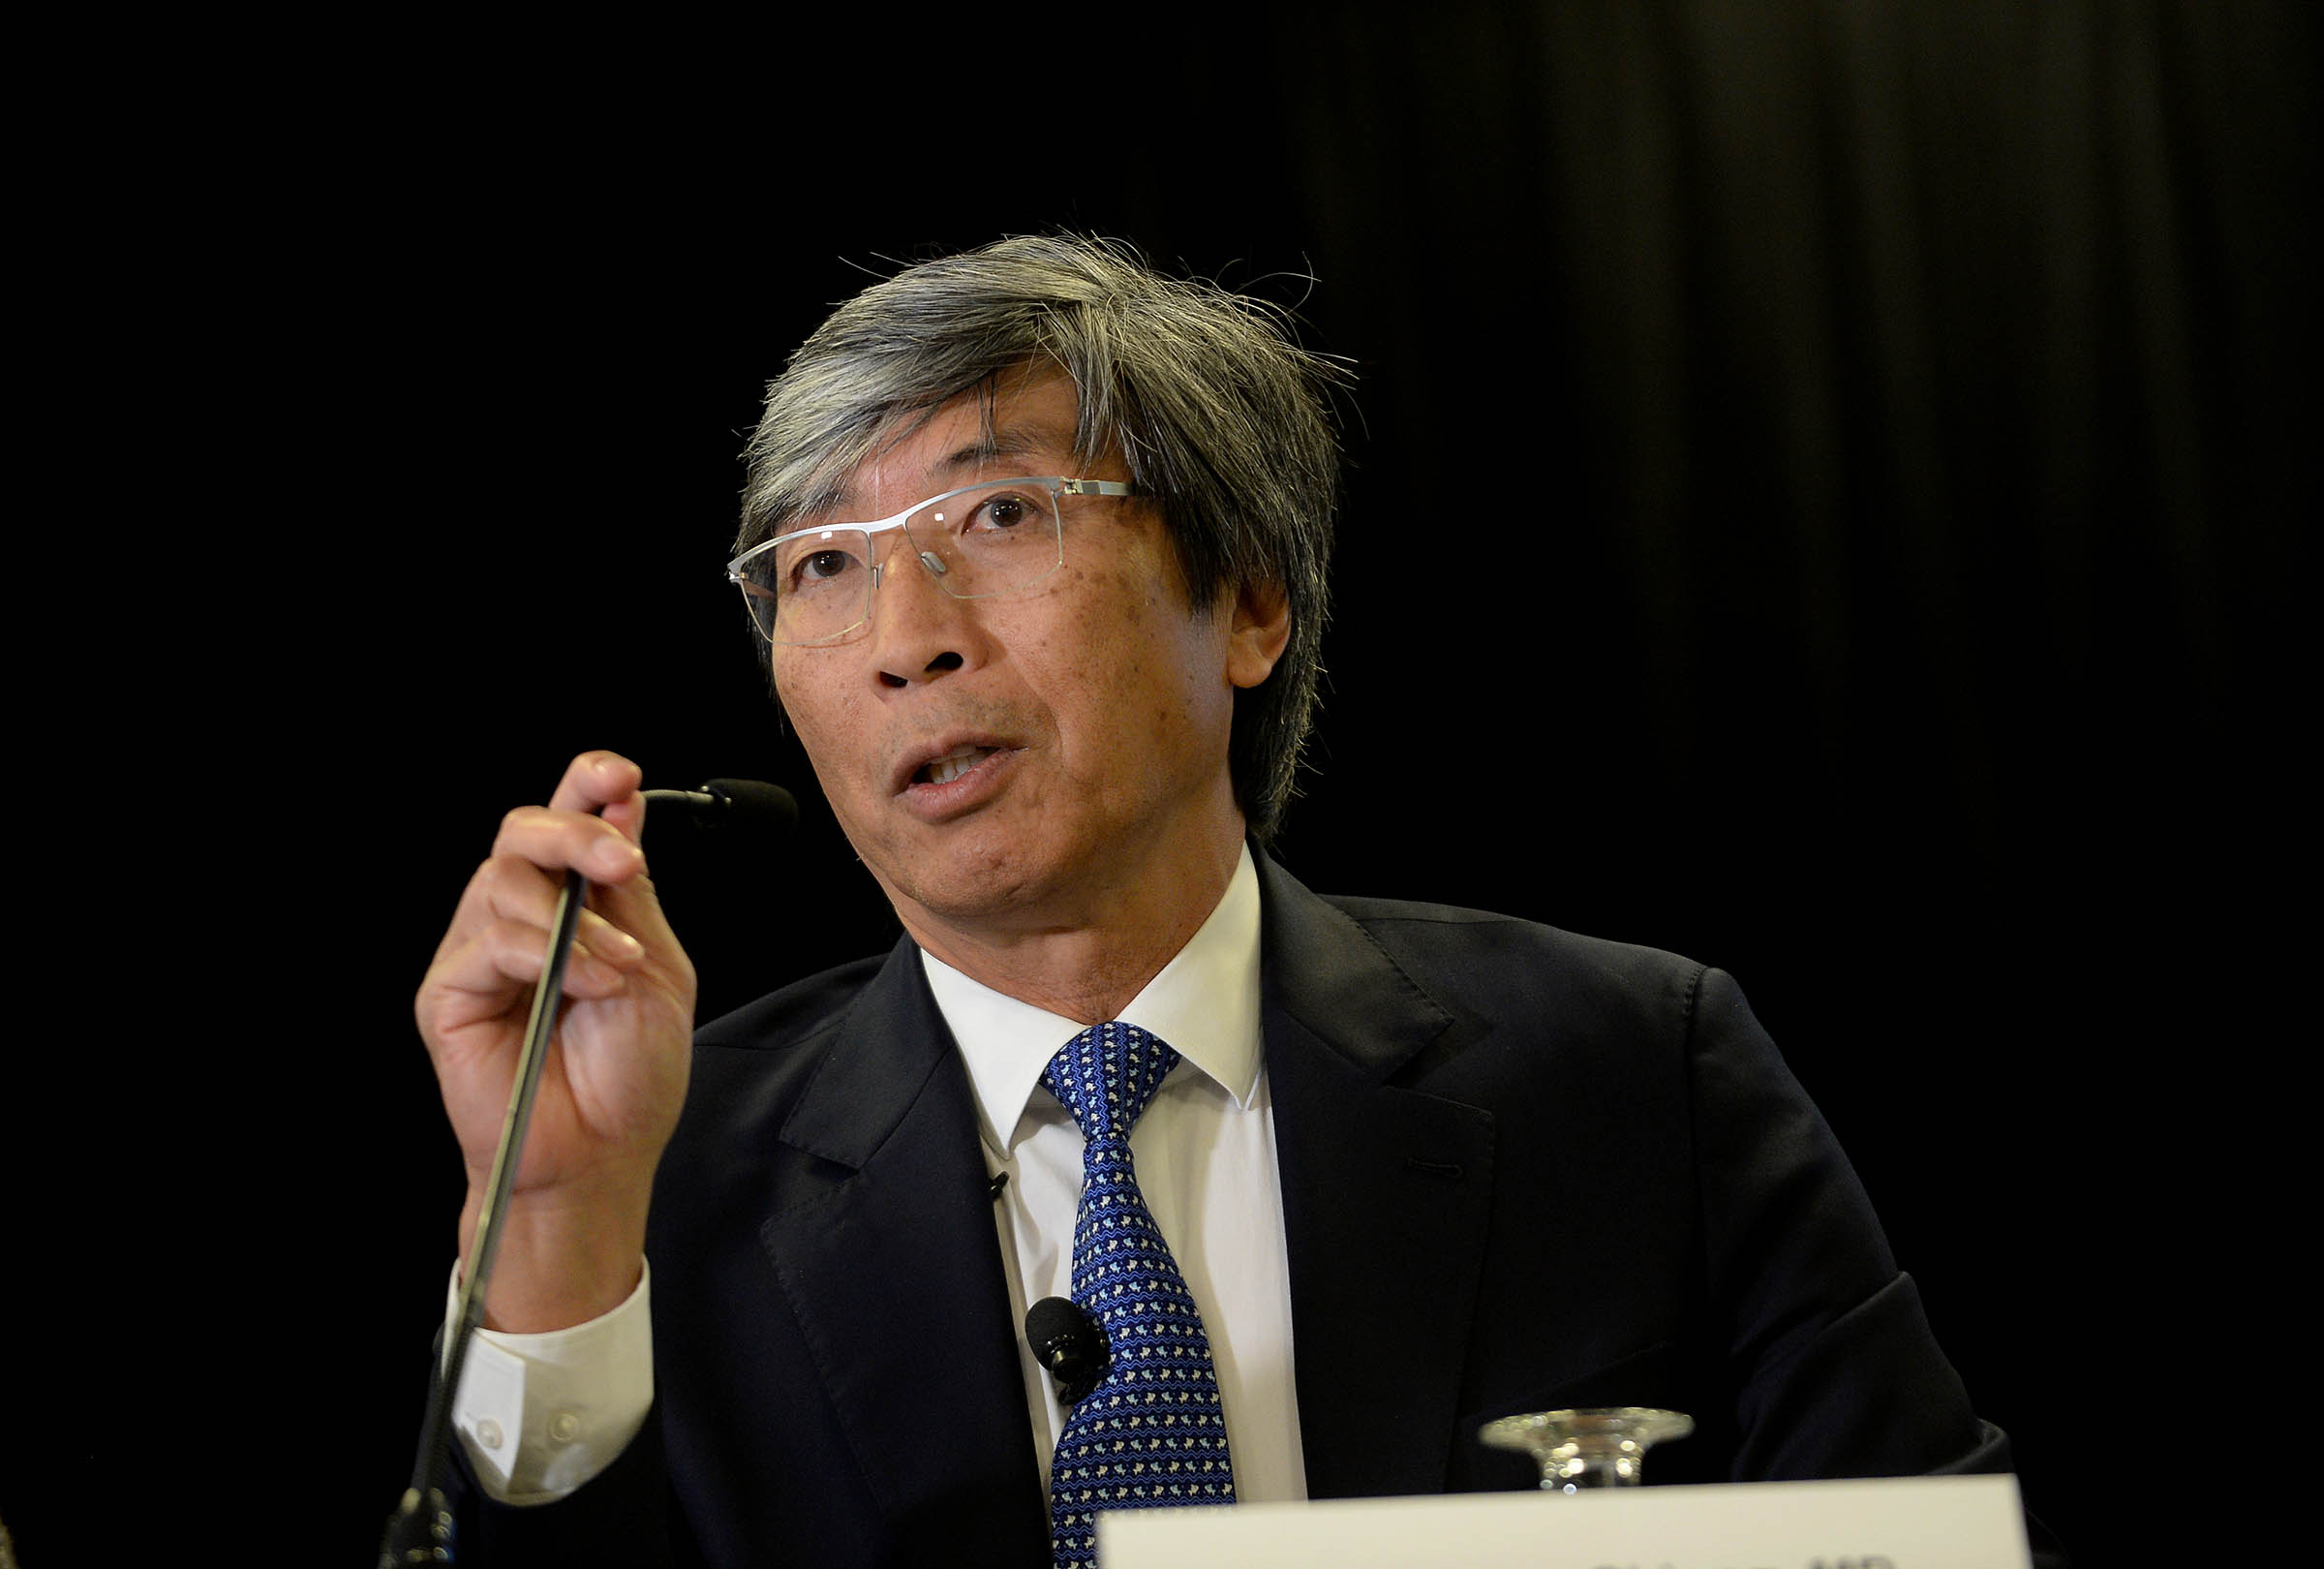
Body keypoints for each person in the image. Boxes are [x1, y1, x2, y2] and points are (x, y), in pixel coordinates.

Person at [413, 234, 2030, 1567]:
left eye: (997, 514)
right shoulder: (658, 1168)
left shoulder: (1631, 1072)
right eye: (822, 563)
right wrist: (553, 1232)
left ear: (1248, 599)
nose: (906, 634)